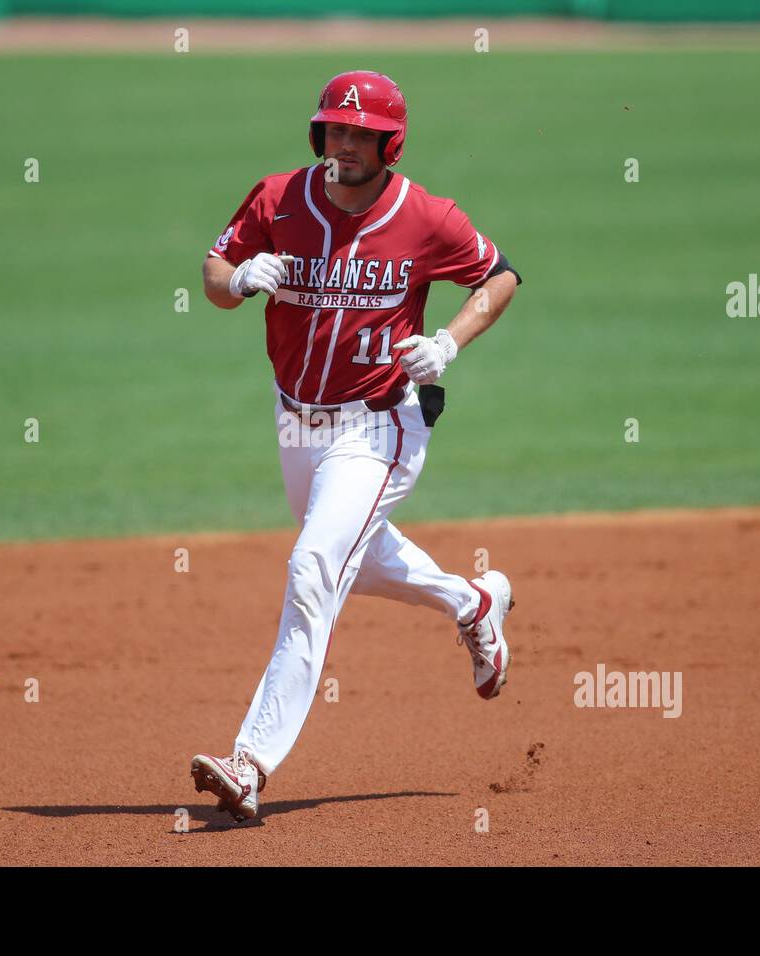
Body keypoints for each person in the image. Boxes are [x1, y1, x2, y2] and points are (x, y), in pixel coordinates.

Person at [192, 70, 523, 822]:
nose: (343, 142)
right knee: (354, 557)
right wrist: (240, 277)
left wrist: (448, 342)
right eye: (333, 129)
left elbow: (500, 278)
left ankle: (250, 762)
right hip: (296, 421)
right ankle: (473, 602)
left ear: (388, 144)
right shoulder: (278, 197)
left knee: (314, 565)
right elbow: (211, 274)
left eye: (358, 133)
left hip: (379, 423)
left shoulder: (426, 217)